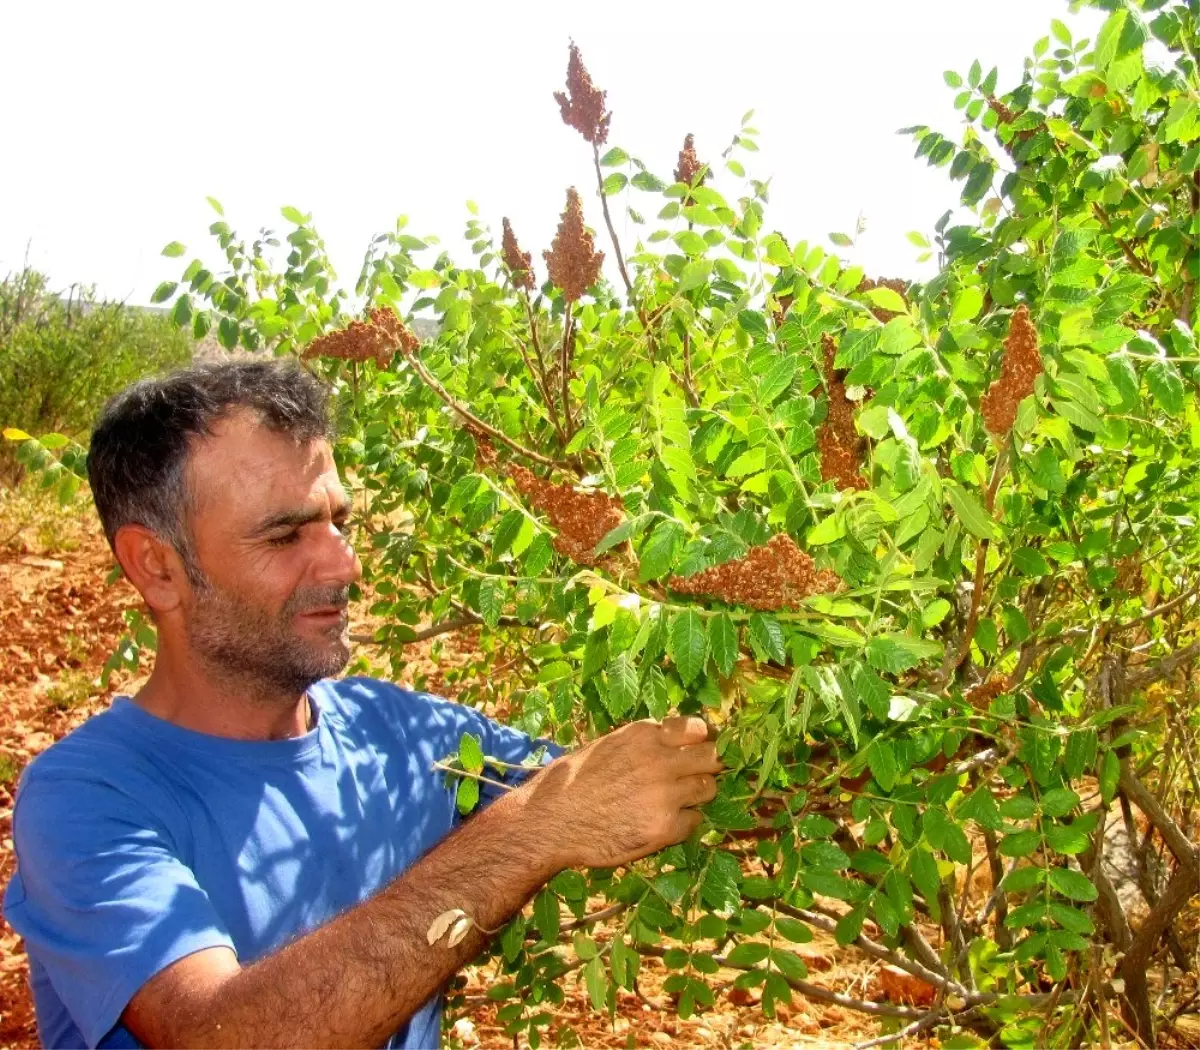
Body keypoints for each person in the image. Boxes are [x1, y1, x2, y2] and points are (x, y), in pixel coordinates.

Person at [4, 361, 721, 1050]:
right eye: (285, 535)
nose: (344, 564)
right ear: (158, 566)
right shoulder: (88, 799)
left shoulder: (400, 734)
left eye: (338, 520)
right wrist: (531, 831)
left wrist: (757, 685)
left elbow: (619, 782)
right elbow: (219, 1036)